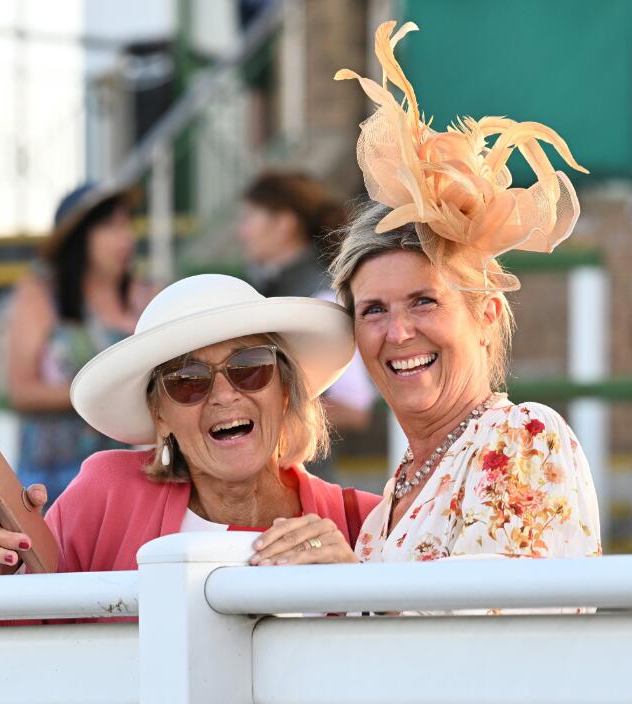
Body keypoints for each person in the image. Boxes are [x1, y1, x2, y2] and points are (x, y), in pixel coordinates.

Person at [250, 20, 601, 568]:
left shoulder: (523, 437)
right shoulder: (385, 510)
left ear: (485, 316)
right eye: (373, 311)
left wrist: (346, 589)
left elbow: (490, 638)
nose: (398, 332)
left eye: (424, 301)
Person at [0, 274, 380, 581]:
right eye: (188, 381)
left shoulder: (366, 521)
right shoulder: (106, 494)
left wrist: (355, 595)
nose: (223, 395)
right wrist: (1, 565)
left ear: (285, 389)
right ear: (160, 414)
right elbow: (23, 632)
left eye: (249, 368)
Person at [4, 182, 154, 506]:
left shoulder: (148, 296)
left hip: (130, 476)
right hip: (51, 483)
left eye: (127, 223)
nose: (125, 237)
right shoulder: (39, 298)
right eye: (110, 226)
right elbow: (21, 391)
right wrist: (97, 390)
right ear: (77, 239)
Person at [237, 171, 377, 479]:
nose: (241, 231)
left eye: (249, 218)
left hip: (304, 489)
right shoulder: (272, 287)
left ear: (284, 223)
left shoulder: (322, 294)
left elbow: (356, 409)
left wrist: (260, 411)